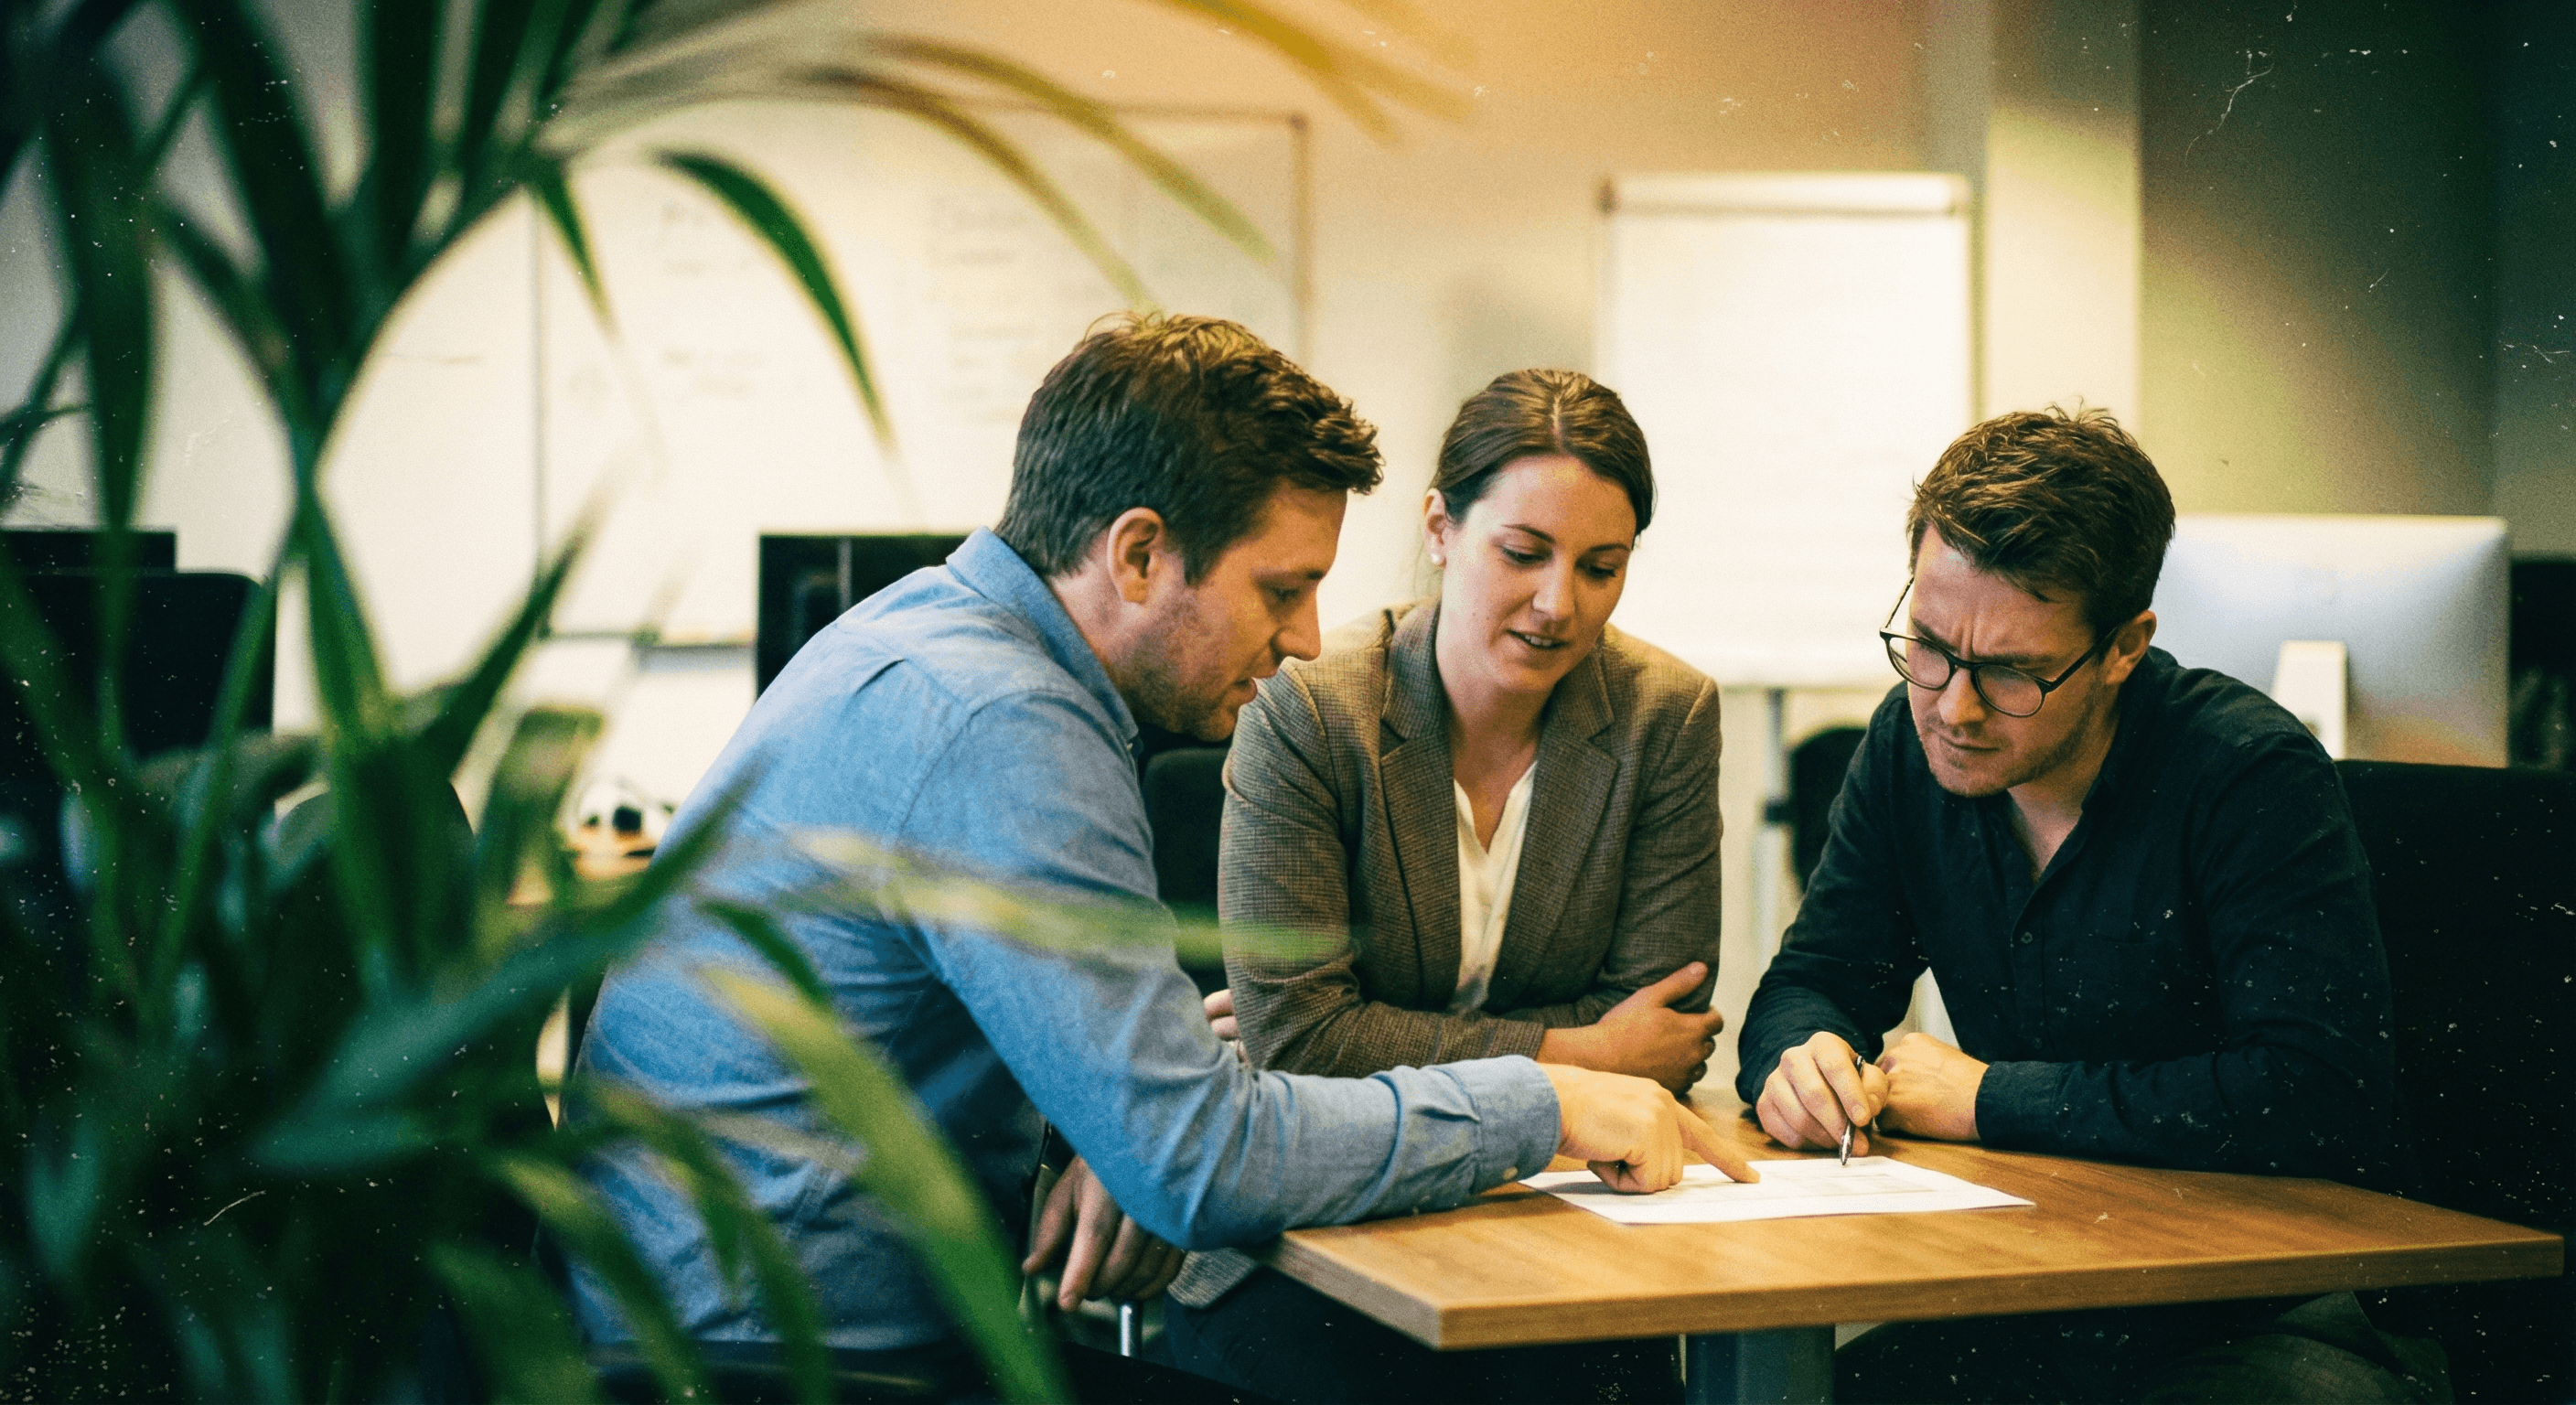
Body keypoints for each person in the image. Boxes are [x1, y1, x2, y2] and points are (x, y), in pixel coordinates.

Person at [572, 315, 1753, 1394]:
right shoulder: (1010, 727)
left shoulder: (930, 636)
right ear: (1138, 556)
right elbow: (1198, 1159)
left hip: (717, 1326)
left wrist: (1116, 1121)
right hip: (784, 1369)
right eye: (1280, 589)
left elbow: (1149, 1120)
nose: (1300, 641)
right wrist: (1540, 1100)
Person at [1733, 406, 2444, 1404]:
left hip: (2280, 1310)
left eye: (2013, 672)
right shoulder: (1908, 740)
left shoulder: (2244, 775)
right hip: (2041, 1291)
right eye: (1929, 646)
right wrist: (1797, 1058)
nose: (1953, 706)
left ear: (2123, 647)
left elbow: (2311, 1090)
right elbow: (1813, 978)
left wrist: (1988, 1098)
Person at [1162, 370, 1724, 1402]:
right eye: (1522, 554)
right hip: (1321, 1225)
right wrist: (1578, 1055)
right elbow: (1299, 1040)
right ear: (1437, 527)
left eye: (1601, 567)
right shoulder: (1309, 710)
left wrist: (1372, 1031)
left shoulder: (1663, 716)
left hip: (1560, 1217)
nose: (1559, 604)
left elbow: (1665, 1033)